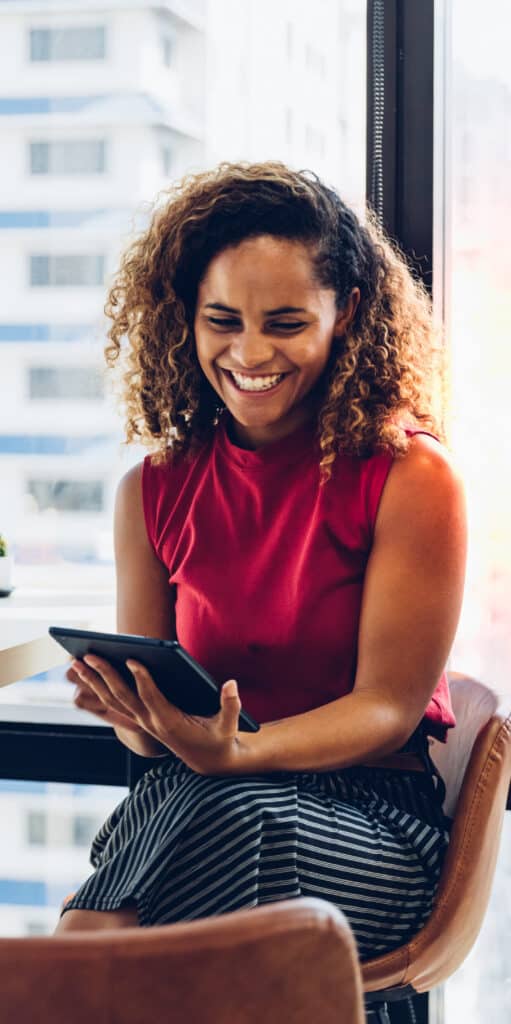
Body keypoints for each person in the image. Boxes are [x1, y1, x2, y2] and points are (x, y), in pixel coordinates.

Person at [55, 161, 467, 959]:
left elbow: (386, 707)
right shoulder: (150, 491)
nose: (250, 353)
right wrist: (142, 719)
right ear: (187, 319)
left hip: (371, 824)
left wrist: (237, 752)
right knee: (200, 817)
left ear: (344, 312)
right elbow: (151, 751)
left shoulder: (409, 477)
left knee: (190, 843)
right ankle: (83, 966)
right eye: (222, 321)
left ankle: (70, 966)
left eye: (284, 322)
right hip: (199, 804)